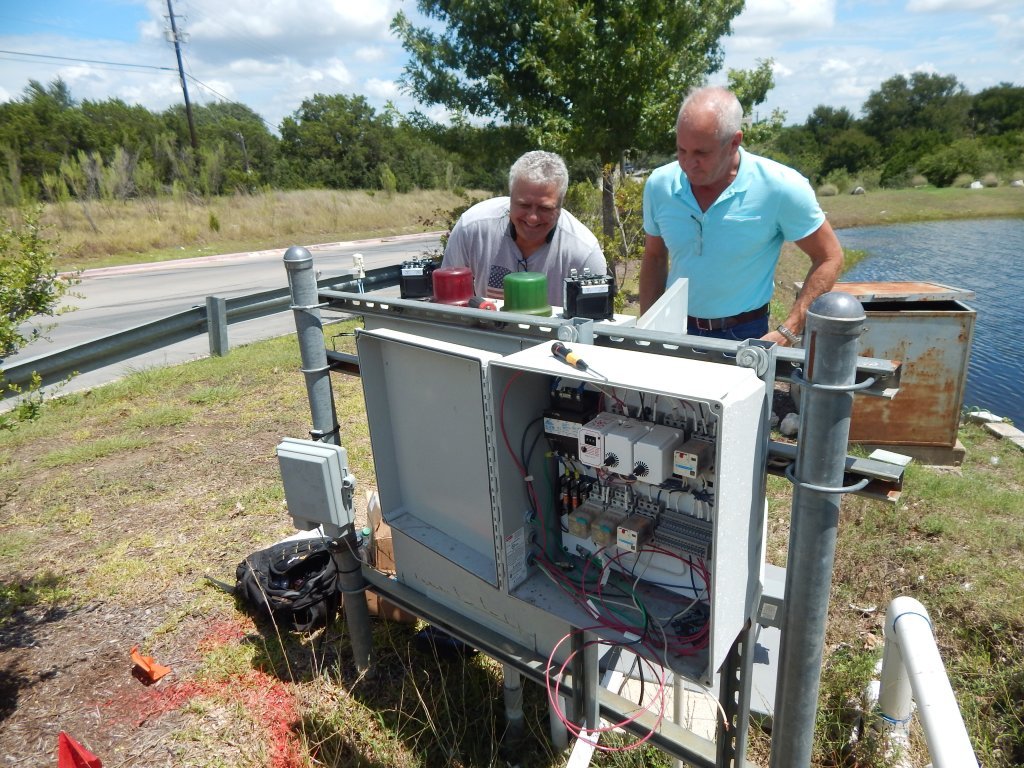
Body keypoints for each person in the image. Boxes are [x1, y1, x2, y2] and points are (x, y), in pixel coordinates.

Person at [639, 87, 843, 346]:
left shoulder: (781, 187)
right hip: (673, 329)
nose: (689, 163)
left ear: (734, 142)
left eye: (702, 153)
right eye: (681, 150)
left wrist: (789, 329)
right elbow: (655, 257)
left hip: (745, 334)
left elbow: (829, 256)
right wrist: (646, 330)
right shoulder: (660, 185)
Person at [442, 150, 608, 307]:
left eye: (545, 208)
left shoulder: (584, 253)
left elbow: (592, 328)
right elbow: (448, 302)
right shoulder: (472, 228)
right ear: (510, 196)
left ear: (561, 204)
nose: (532, 218)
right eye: (524, 205)